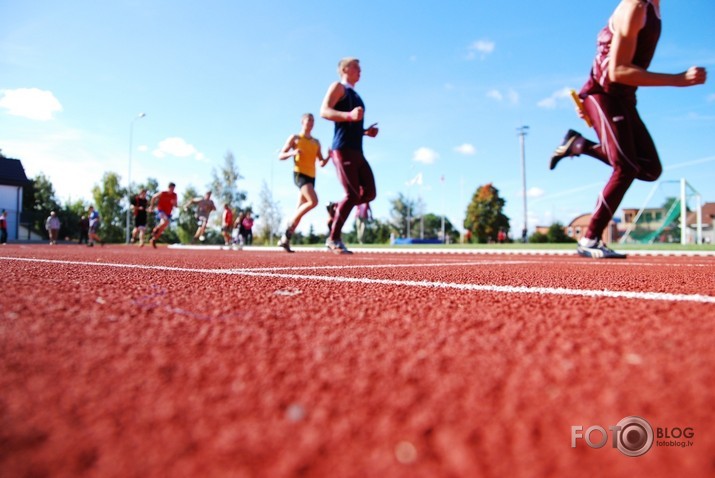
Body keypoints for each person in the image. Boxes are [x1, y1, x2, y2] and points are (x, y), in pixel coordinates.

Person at [550, 0, 707, 259]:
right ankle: (589, 238)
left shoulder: (654, 8)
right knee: (625, 167)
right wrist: (678, 80)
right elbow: (618, 70)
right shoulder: (635, 7)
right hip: (604, 95)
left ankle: (579, 145)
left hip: (624, 98)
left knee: (649, 168)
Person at [320, 57, 379, 254]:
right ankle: (333, 238)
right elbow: (324, 111)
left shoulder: (357, 95)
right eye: (356, 67)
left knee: (369, 193)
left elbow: (353, 124)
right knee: (352, 195)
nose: (360, 70)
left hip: (358, 150)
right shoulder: (339, 87)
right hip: (342, 149)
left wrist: (365, 132)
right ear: (345, 69)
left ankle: (336, 207)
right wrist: (349, 115)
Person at [277, 113, 331, 253]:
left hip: (312, 177)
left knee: (300, 210)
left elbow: (321, 162)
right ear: (302, 122)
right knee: (313, 201)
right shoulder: (295, 138)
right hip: (300, 175)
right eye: (309, 120)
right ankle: (288, 225)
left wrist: (329, 157)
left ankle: (285, 239)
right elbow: (280, 155)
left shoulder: (316, 142)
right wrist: (292, 153)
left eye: (313, 121)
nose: (311, 123)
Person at [148, 182, 178, 248]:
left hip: (168, 213)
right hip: (161, 210)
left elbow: (176, 205)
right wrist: (151, 206)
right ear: (168, 187)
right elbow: (153, 197)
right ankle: (155, 229)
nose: (172, 190)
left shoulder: (174, 195)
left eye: (173, 188)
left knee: (163, 228)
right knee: (165, 221)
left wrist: (174, 203)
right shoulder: (163, 193)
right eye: (171, 188)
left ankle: (153, 239)